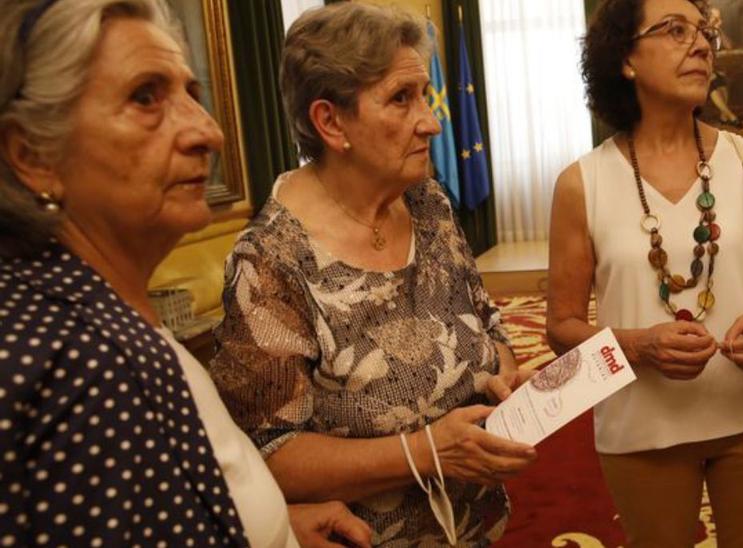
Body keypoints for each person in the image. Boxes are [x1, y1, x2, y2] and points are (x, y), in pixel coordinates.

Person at [0, 1, 371, 546]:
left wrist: (267, 525)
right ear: (33, 155)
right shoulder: (77, 359)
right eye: (145, 97)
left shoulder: (92, 311)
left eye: (193, 96)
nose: (209, 133)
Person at [209, 3, 536, 545]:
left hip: (477, 526)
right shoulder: (269, 262)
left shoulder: (429, 203)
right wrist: (426, 452)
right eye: (401, 99)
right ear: (330, 122)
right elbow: (270, 452)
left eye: (423, 95)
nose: (431, 122)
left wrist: (499, 376)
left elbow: (489, 324)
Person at [547, 0, 743, 545]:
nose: (700, 44)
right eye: (674, 30)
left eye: (704, 31)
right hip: (644, 426)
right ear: (625, 59)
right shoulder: (582, 184)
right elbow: (561, 328)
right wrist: (640, 346)